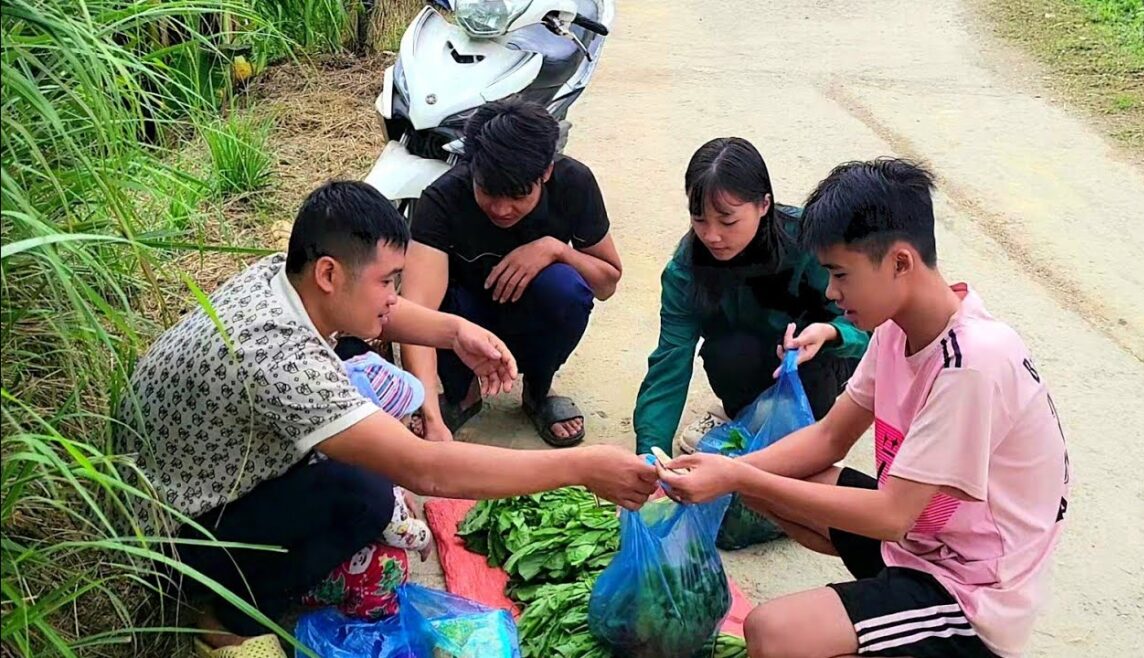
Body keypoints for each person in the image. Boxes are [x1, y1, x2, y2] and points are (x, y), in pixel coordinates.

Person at [115, 181, 656, 657]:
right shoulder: (281, 360)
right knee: (366, 495)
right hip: (171, 536)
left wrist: (453, 332)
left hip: (181, 475)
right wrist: (583, 467)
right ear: (329, 272)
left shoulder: (286, 278)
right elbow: (428, 470)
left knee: (370, 469)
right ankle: (221, 619)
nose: (395, 297)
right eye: (389, 281)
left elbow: (379, 313)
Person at [655, 159, 1070, 658]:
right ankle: (885, 612)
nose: (830, 292)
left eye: (840, 274)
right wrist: (728, 470)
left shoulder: (972, 364)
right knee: (774, 487)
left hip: (970, 588)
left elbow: (894, 515)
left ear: (899, 262)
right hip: (925, 536)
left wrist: (738, 479)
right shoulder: (898, 329)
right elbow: (830, 437)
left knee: (771, 632)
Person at [401, 99, 622, 447]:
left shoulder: (574, 184)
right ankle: (461, 394)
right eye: (488, 192)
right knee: (430, 292)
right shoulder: (442, 200)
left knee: (566, 287)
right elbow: (413, 317)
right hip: (464, 318)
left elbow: (607, 282)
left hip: (530, 315)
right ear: (471, 168)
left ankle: (537, 390)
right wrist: (428, 411)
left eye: (519, 194)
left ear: (546, 172)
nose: (502, 209)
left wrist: (556, 249)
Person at [632, 137, 868, 456]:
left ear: (764, 205)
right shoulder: (686, 270)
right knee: (727, 354)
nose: (712, 236)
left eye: (727, 220)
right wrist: (651, 454)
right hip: (746, 359)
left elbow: (872, 324)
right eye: (699, 219)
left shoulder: (812, 242)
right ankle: (742, 418)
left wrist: (833, 333)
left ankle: (788, 432)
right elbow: (670, 361)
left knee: (806, 385)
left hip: (814, 357)